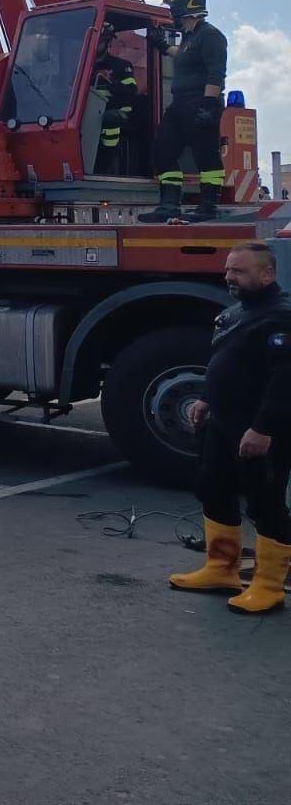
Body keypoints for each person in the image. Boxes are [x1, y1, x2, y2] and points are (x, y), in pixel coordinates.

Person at [168, 242, 291, 614]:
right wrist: (206, 398)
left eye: (238, 271)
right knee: (213, 488)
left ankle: (269, 587)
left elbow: (284, 379)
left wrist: (263, 429)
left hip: (257, 428)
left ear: (266, 274)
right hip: (221, 422)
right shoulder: (237, 313)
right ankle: (221, 569)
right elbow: (223, 361)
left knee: (265, 502)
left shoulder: (281, 316)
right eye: (227, 270)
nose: (228, 277)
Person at [140, 0, 228, 222]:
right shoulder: (191, 37)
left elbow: (215, 74)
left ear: (186, 9)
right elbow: (185, 55)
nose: (171, 15)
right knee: (163, 149)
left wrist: (209, 106)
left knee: (206, 156)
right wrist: (163, 47)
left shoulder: (211, 35)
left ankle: (208, 206)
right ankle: (169, 205)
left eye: (173, 10)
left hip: (201, 100)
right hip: (180, 103)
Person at [91, 22, 141, 174]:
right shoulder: (84, 65)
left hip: (118, 113)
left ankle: (103, 165)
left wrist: (112, 83)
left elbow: (131, 92)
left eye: (99, 40)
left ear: (107, 42)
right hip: (90, 113)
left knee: (110, 119)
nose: (95, 43)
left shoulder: (121, 66)